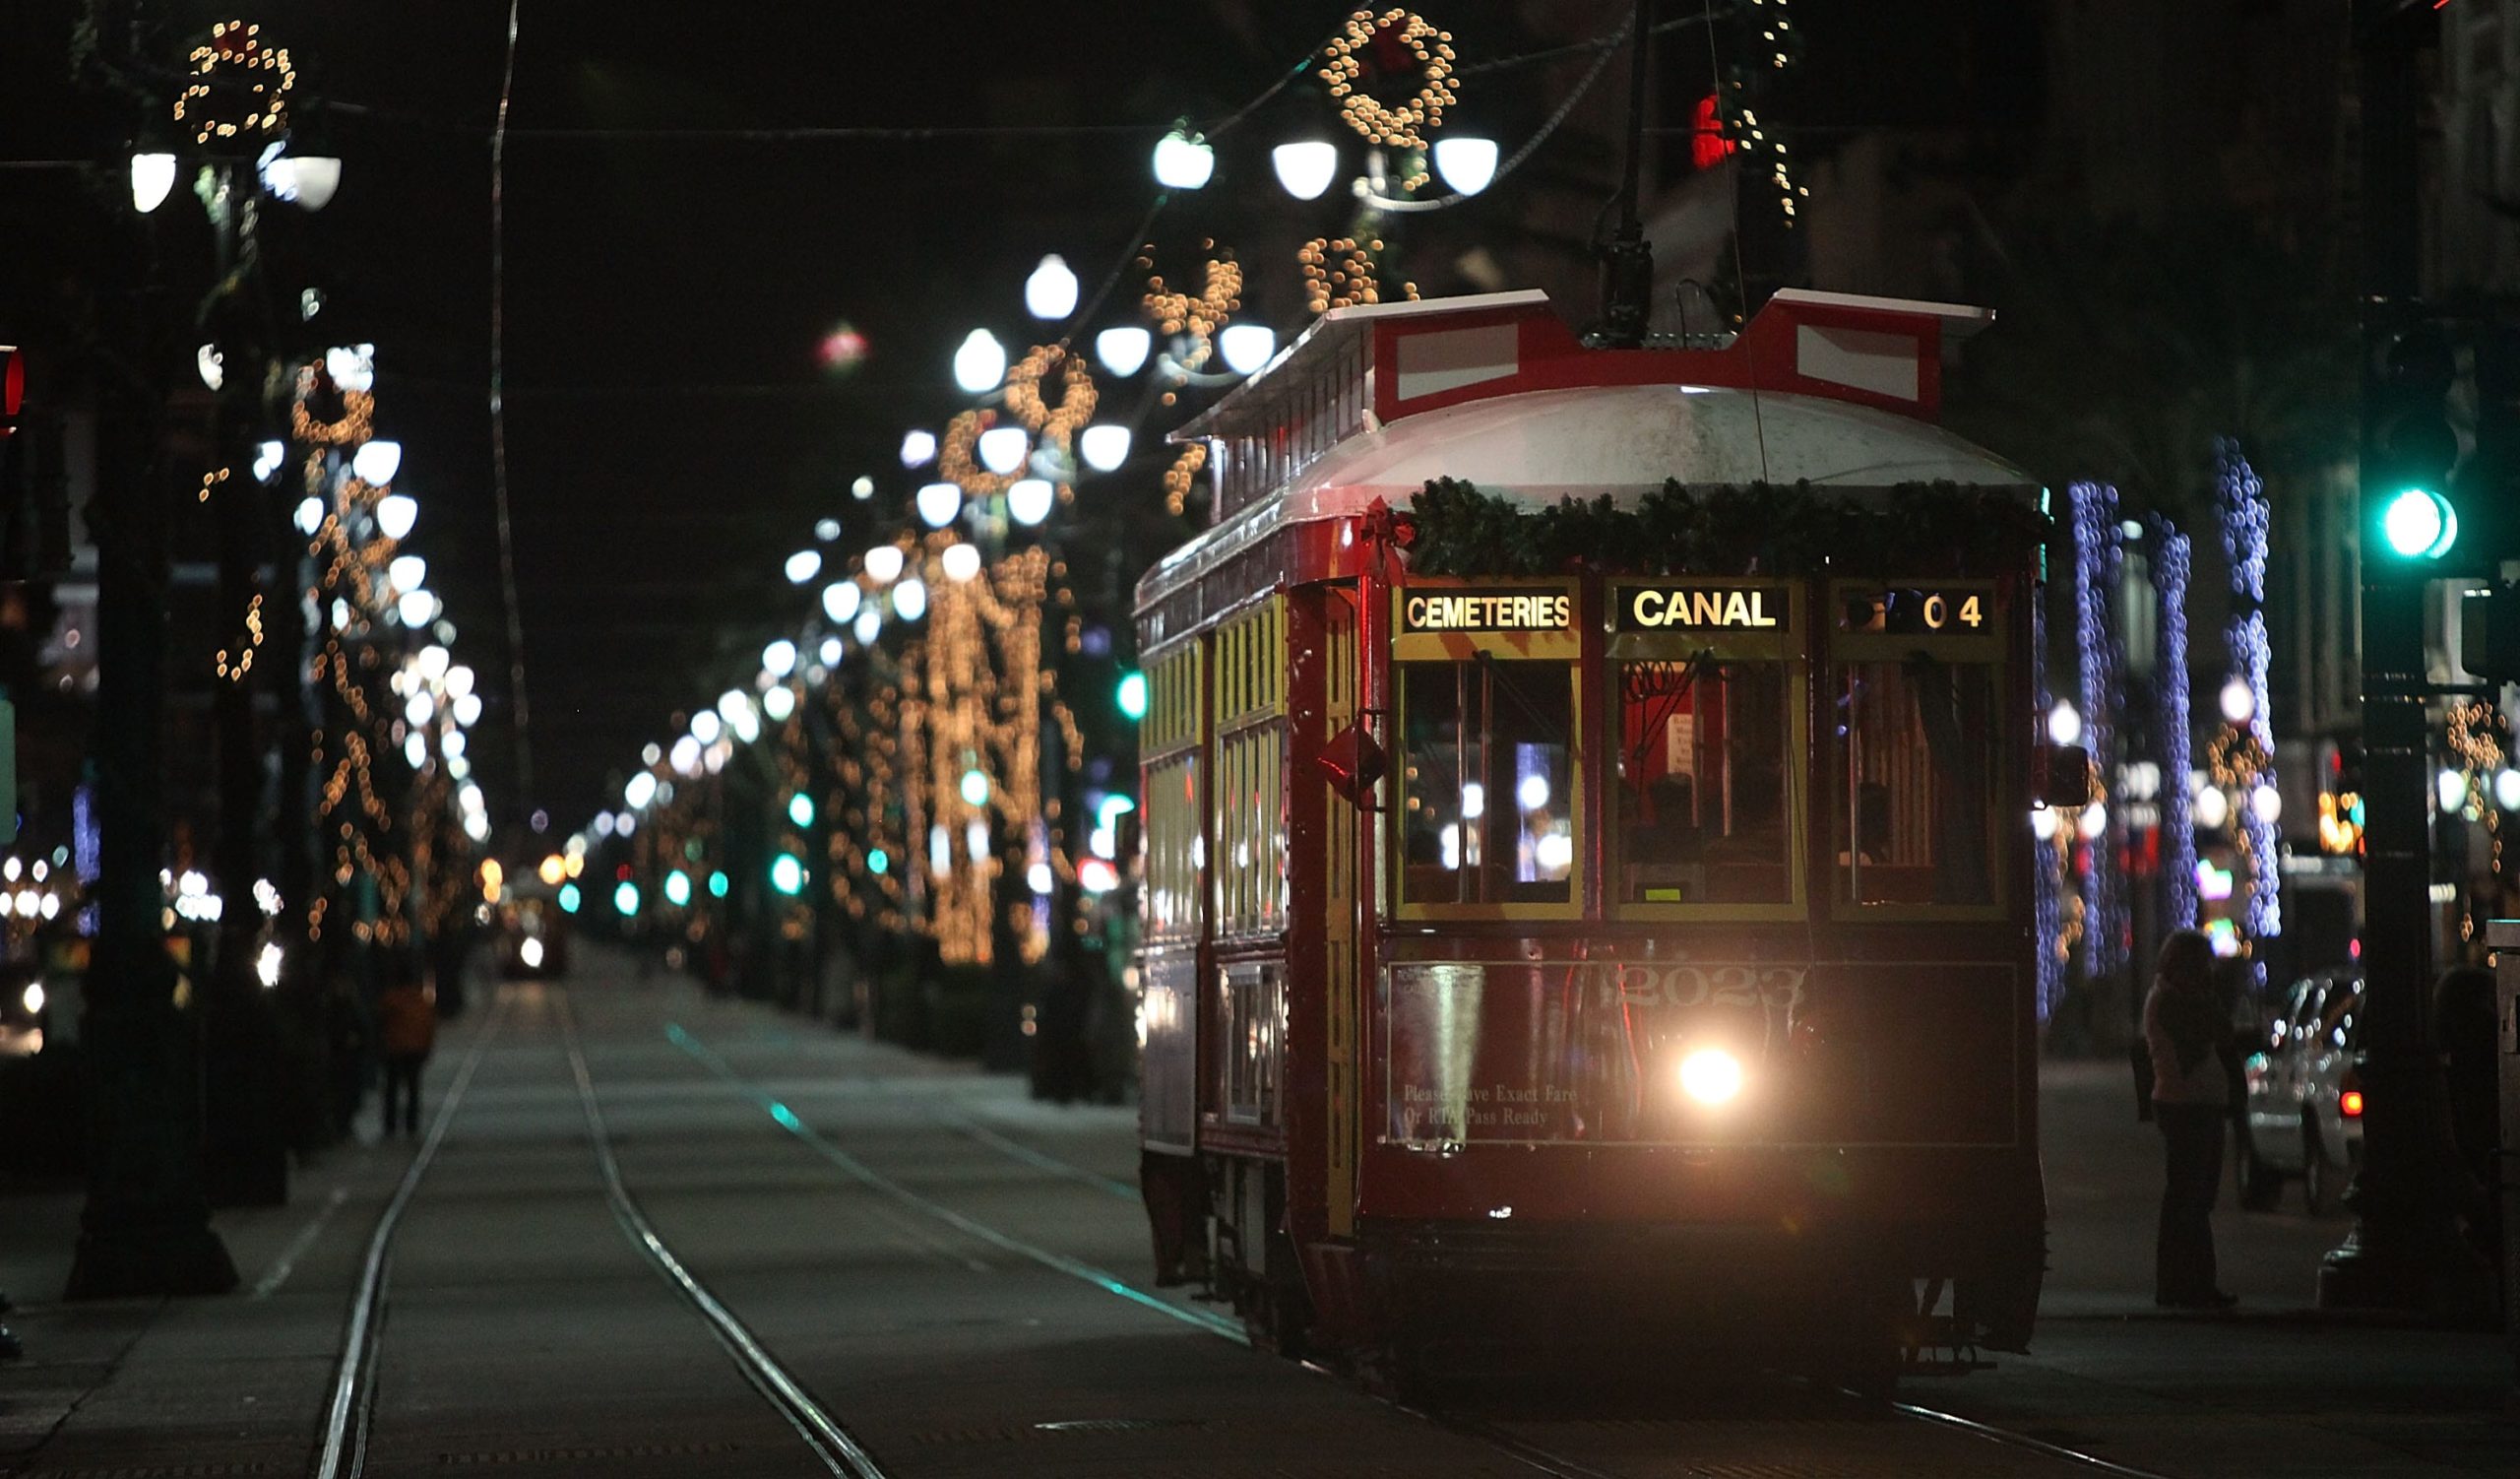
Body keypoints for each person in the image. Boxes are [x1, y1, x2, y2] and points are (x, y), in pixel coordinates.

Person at [2143, 930, 2237, 1310]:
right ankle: (2187, 1285)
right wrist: (2207, 1000)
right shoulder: (2169, 1000)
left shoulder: (2181, 998)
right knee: (2189, 1200)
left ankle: (2189, 1283)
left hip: (2199, 1105)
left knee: (2194, 1199)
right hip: (2186, 1106)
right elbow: (2207, 1036)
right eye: (2201, 965)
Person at [375, 970, 438, 1139]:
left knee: (392, 1088)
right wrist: (427, 1048)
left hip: (394, 1050)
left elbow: (380, 1024)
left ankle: (390, 1124)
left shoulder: (389, 1000)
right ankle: (411, 1123)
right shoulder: (421, 1002)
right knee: (413, 1088)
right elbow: (428, 1027)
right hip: (414, 1050)